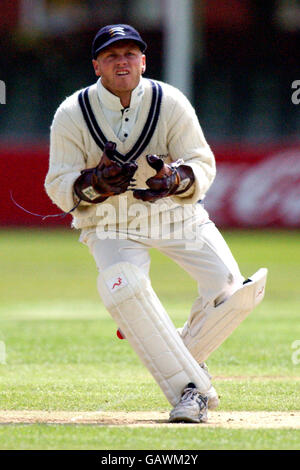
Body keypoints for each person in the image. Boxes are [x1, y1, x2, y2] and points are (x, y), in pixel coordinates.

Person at [45, 24, 267, 423]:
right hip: (110, 222)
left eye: (130, 54)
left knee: (234, 291)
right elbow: (58, 183)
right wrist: (92, 183)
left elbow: (202, 162)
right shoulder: (72, 113)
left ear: (143, 61)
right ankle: (192, 393)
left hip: (175, 215)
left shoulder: (171, 102)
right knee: (125, 290)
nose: (122, 61)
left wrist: (176, 180)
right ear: (97, 65)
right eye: (112, 56)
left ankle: (173, 353)